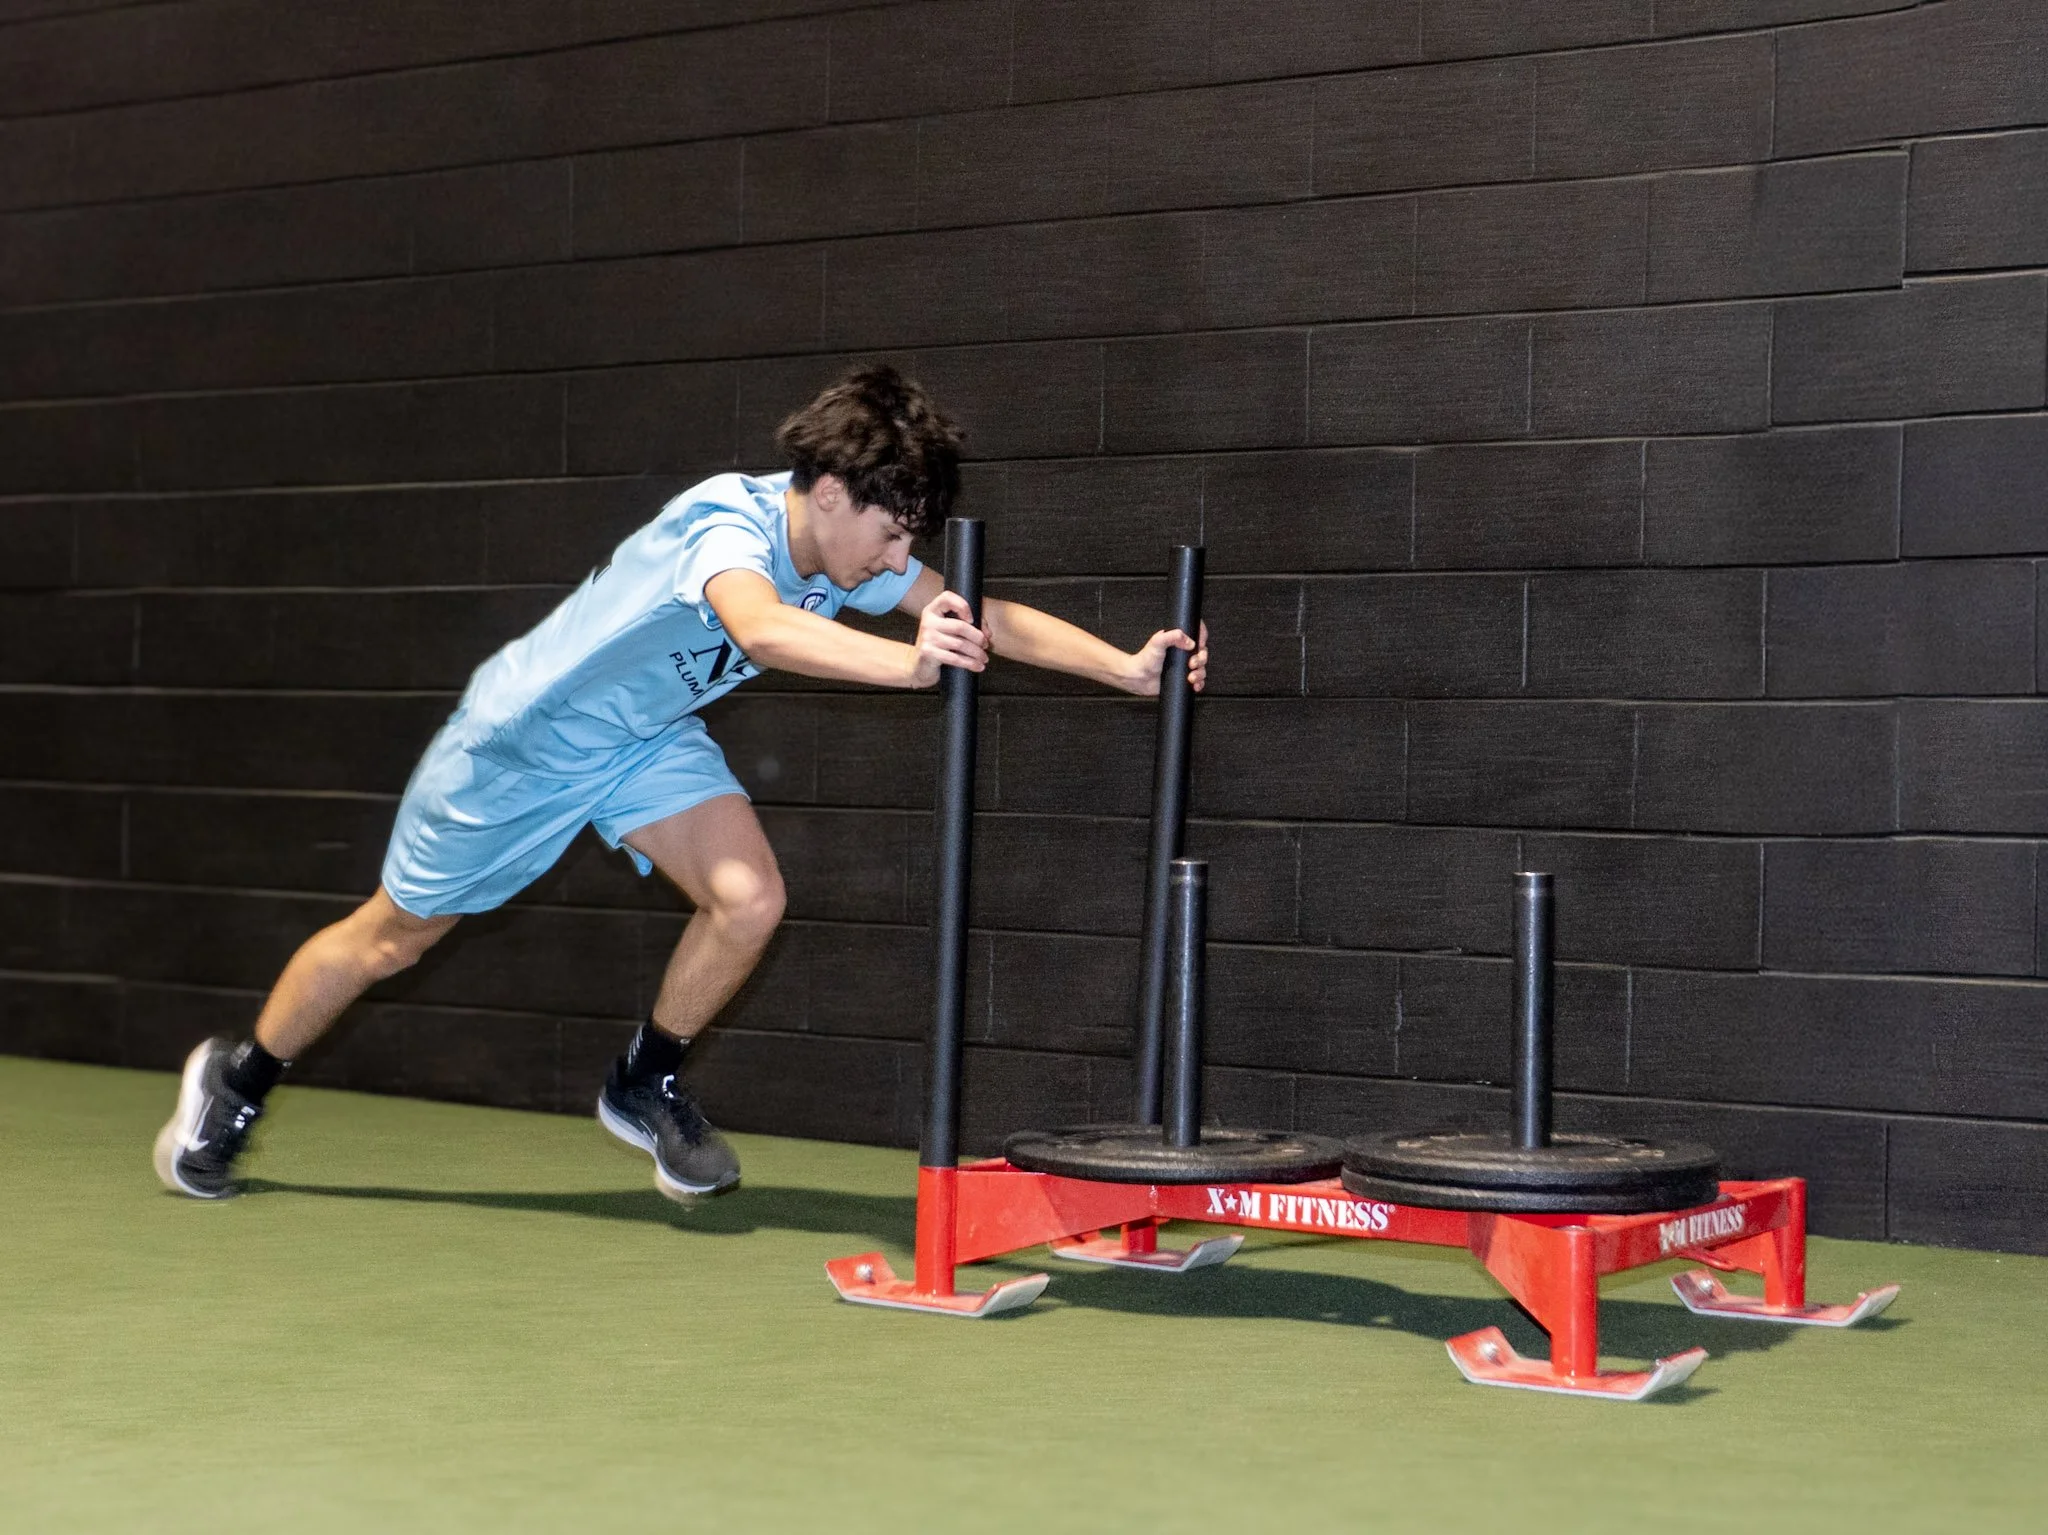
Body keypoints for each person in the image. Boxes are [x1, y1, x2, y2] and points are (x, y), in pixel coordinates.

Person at [154, 365, 1208, 1203]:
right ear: (831, 494)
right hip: (523, 742)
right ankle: (235, 1086)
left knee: (750, 898)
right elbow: (756, 624)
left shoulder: (852, 554)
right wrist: (904, 662)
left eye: (908, 542)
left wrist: (1124, 665)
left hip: (641, 740)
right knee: (393, 936)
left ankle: (641, 1081)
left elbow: (981, 613)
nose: (900, 555)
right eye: (891, 531)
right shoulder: (726, 523)